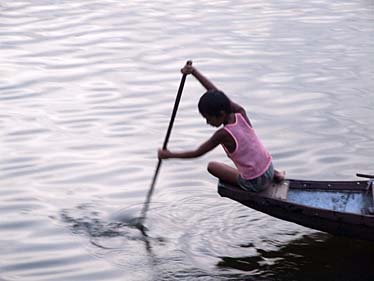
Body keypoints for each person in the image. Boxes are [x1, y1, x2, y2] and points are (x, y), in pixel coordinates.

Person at [158, 63, 285, 192]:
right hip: (269, 168)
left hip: (256, 183)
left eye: (209, 118)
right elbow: (217, 94)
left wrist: (169, 155)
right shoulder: (241, 113)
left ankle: (253, 178)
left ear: (221, 114)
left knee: (212, 166)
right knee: (253, 155)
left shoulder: (222, 134)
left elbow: (197, 153)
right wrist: (194, 72)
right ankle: (276, 174)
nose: (208, 122)